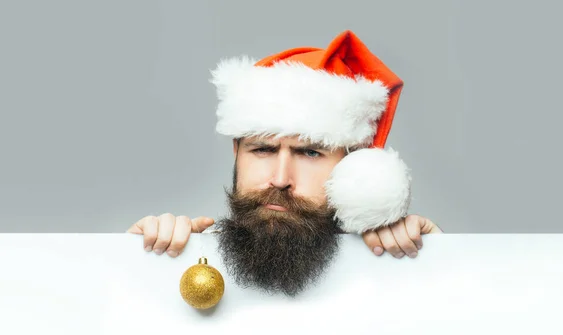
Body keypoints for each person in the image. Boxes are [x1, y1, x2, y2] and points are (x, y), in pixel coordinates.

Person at [128, 30, 443, 296]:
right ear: (237, 153)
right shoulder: (191, 265)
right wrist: (133, 259)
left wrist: (442, 257)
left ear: (353, 166)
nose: (280, 179)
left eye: (310, 153)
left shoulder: (390, 267)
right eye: (263, 149)